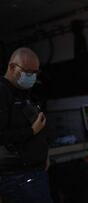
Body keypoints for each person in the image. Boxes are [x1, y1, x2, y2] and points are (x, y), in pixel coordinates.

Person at [0, 47, 52, 202]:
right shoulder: (2, 92)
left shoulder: (23, 92)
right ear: (11, 67)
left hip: (33, 172)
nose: (32, 77)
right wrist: (31, 131)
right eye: (28, 72)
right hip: (17, 176)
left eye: (35, 73)